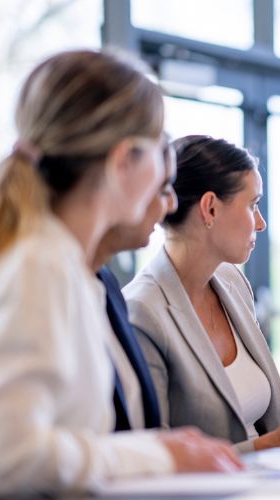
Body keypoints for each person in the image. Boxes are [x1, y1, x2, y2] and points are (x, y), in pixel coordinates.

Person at [0, 50, 242, 496]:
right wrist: (159, 455)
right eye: (158, 150)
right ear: (124, 159)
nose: (166, 187)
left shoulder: (61, 264)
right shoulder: (38, 264)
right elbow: (3, 456)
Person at [123, 135, 280, 453]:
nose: (260, 224)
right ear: (209, 208)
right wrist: (277, 441)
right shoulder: (141, 311)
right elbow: (155, 457)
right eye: (253, 204)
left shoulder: (232, 281)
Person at [91, 136, 178, 431]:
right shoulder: (38, 276)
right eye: (162, 188)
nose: (172, 204)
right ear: (121, 165)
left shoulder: (104, 283)